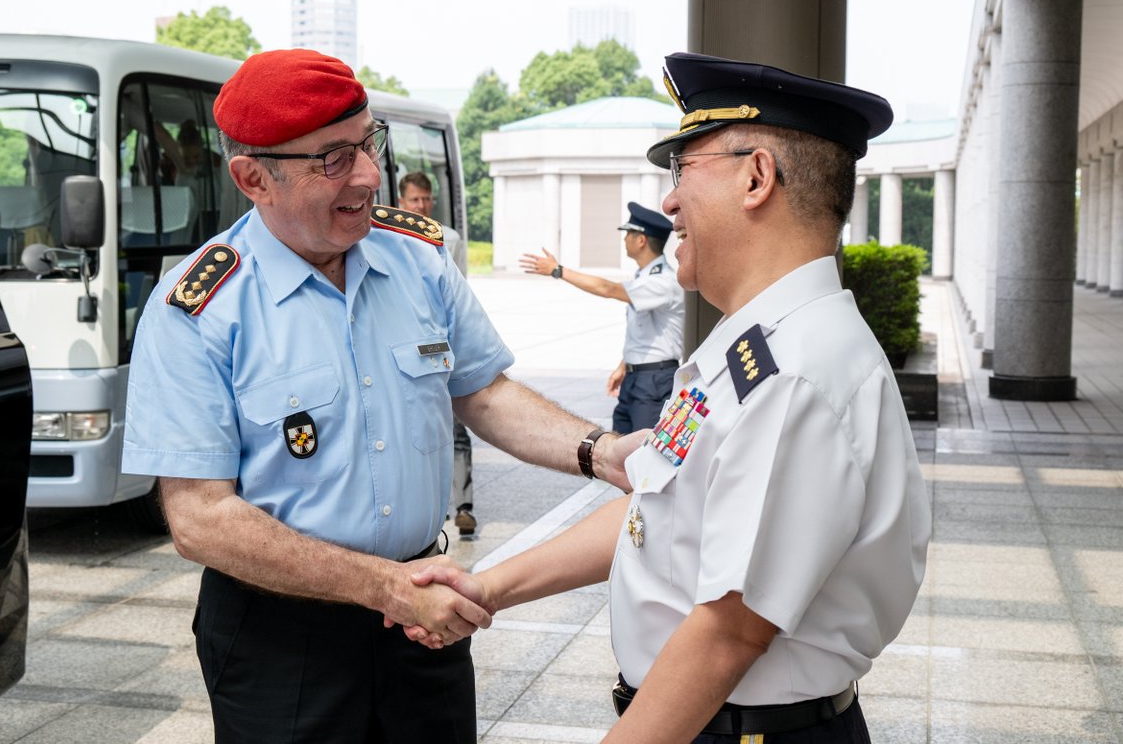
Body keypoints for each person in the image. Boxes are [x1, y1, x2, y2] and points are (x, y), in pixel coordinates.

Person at [120, 49, 643, 744]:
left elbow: (482, 392)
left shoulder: (417, 260)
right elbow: (199, 517)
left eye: (369, 143)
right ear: (254, 178)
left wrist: (601, 453)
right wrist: (379, 585)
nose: (370, 176)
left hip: (424, 618)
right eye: (332, 159)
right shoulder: (200, 307)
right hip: (281, 635)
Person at [411, 52, 932, 743]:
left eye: (683, 169)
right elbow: (656, 507)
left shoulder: (794, 375)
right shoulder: (748, 348)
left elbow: (728, 635)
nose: (669, 202)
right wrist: (491, 587)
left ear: (756, 177)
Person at [519, 202, 684, 433]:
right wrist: (624, 365)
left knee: (644, 453)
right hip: (637, 378)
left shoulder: (662, 282)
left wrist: (558, 270)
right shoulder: (643, 277)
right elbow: (647, 332)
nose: (624, 239)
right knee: (621, 451)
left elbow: (607, 289)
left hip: (654, 381)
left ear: (641, 240)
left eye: (628, 233)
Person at [399, 171, 476, 535]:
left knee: (458, 427)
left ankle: (464, 505)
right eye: (414, 200)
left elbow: (460, 293)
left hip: (443, 343)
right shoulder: (389, 238)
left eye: (426, 199)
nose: (421, 206)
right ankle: (432, 509)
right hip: (408, 349)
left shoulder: (450, 238)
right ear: (402, 202)